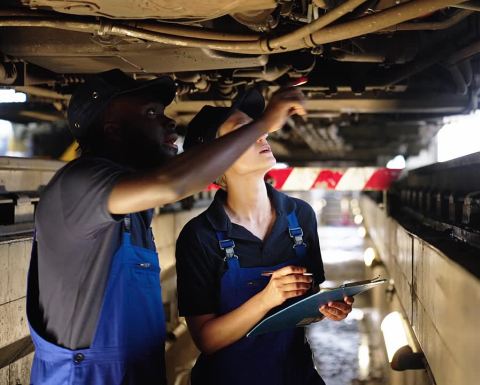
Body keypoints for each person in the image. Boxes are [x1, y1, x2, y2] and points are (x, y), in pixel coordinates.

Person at [26, 69, 306, 385]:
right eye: (151, 113)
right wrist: (262, 124)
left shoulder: (133, 213)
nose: (170, 121)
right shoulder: (78, 184)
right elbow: (171, 183)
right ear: (113, 130)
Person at [175, 88, 354, 385]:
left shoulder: (301, 215)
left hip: (295, 376)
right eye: (244, 132)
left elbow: (306, 302)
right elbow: (206, 339)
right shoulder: (200, 236)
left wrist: (327, 308)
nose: (262, 135)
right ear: (218, 157)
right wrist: (266, 299)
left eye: (257, 128)